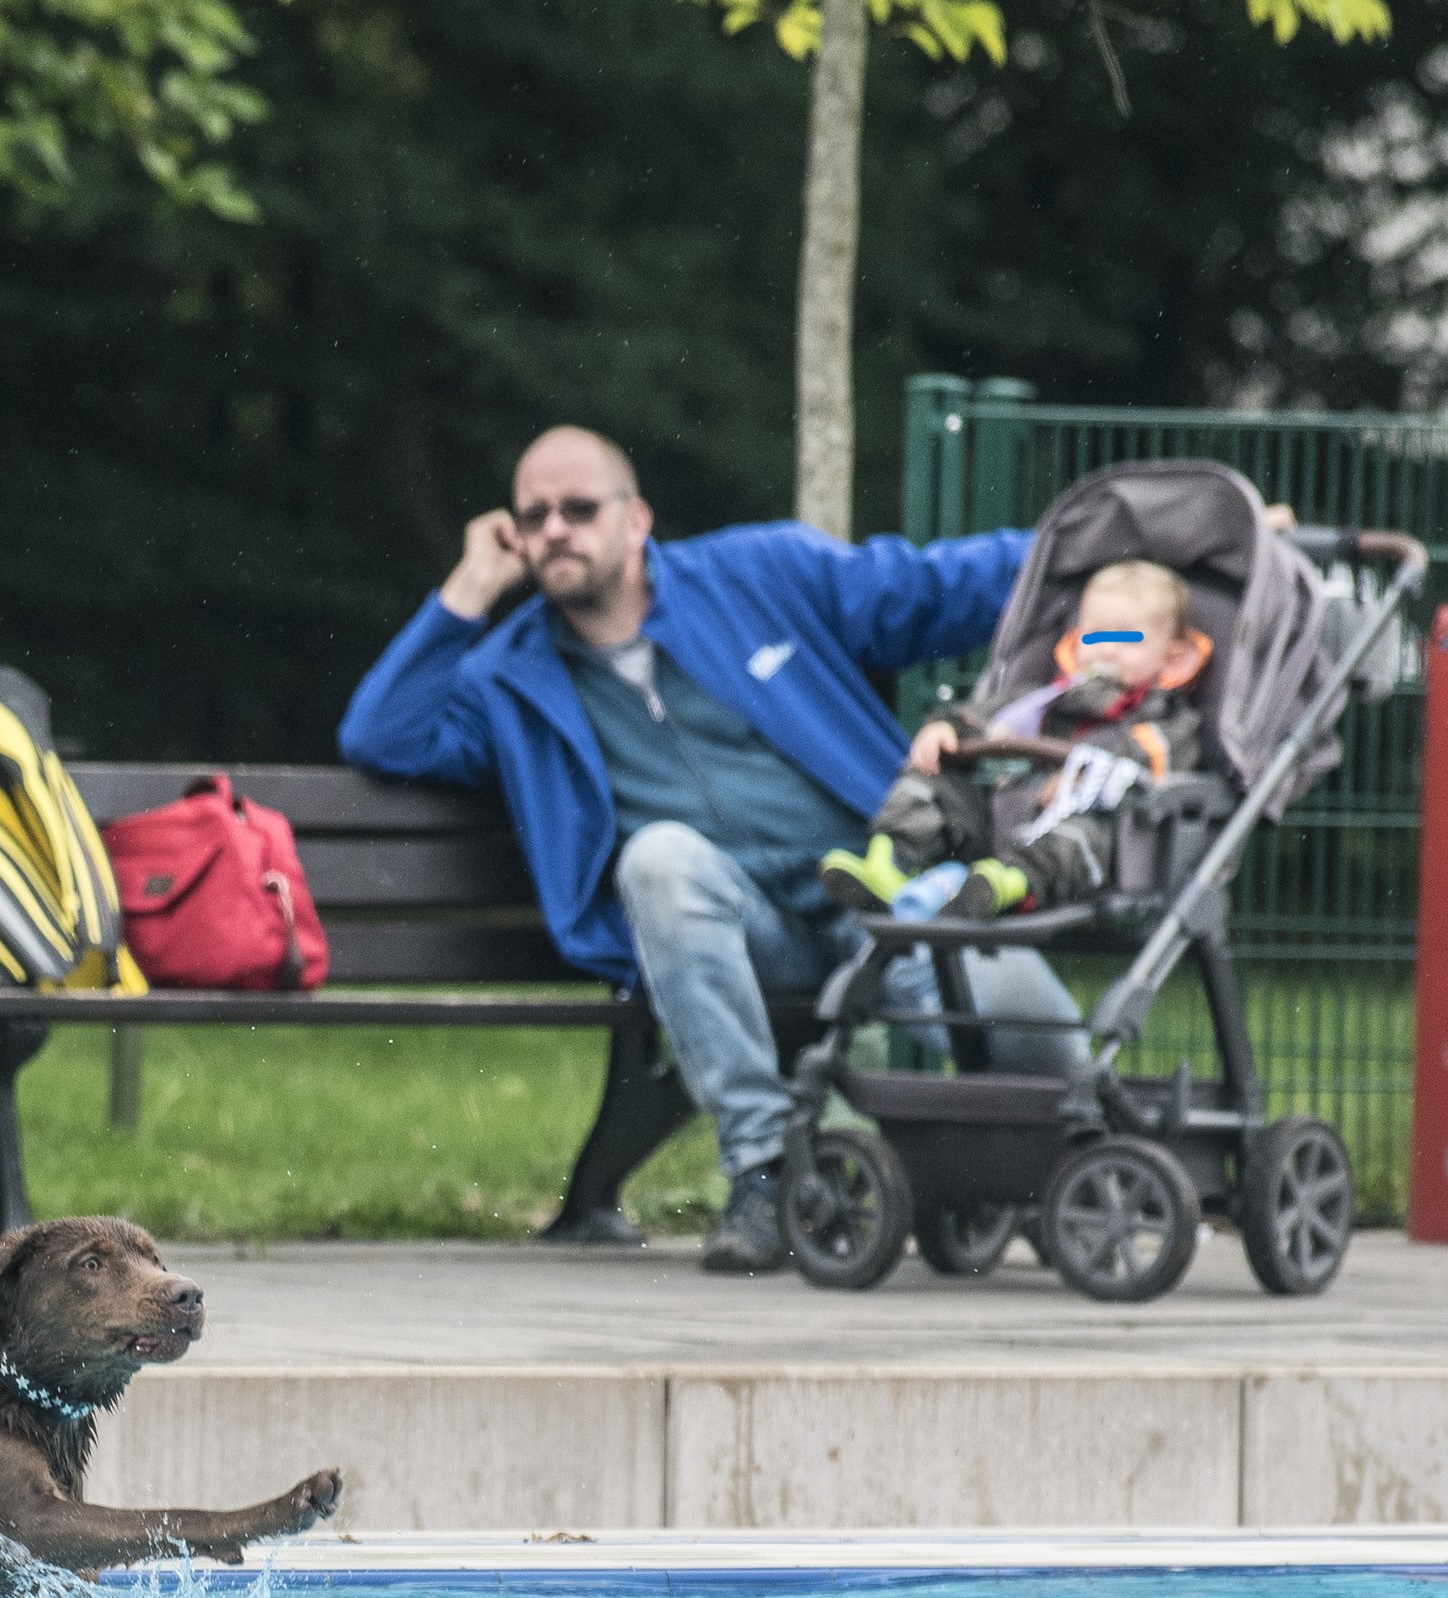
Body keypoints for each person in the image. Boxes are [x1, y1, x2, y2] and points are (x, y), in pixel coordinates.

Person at [337, 426, 1082, 1273]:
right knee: (656, 855)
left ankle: (1073, 1177)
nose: (553, 531)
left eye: (578, 509)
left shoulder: (759, 574)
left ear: (636, 519)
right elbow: (381, 733)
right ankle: (765, 1172)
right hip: (728, 932)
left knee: (1044, 1036)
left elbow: (932, 587)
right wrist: (470, 585)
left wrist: (1105, 543)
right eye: (531, 515)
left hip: (879, 892)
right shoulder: (509, 676)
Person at [821, 559, 1208, 920]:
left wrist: (1087, 771)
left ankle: (1009, 883)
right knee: (932, 776)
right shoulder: (1042, 698)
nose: (1106, 648)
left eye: (1129, 640)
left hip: (1089, 843)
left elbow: (1151, 751)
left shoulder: (1166, 719)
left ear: (1172, 658)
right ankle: (890, 863)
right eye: (1096, 635)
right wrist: (949, 728)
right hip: (996, 820)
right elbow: (985, 716)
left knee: (1083, 831)